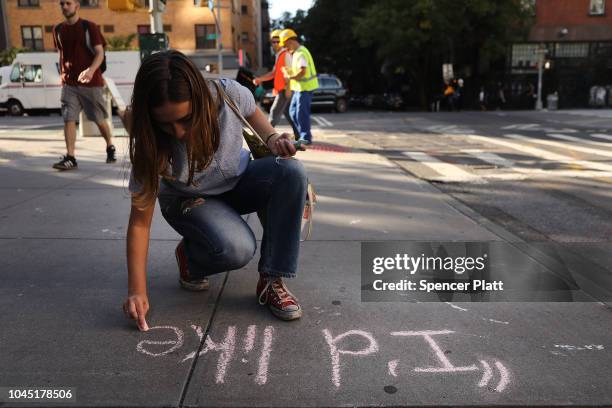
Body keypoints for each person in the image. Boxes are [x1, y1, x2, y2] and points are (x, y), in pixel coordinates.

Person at [121, 50, 307, 331]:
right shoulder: (150, 143)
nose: (179, 132)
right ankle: (191, 259)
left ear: (200, 98)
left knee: (290, 170)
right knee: (237, 248)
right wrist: (137, 290)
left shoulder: (229, 95)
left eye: (185, 119)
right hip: (189, 200)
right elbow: (139, 224)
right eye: (165, 124)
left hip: (237, 182)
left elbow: (267, 135)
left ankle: (272, 280)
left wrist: (277, 141)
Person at [52, 0, 116, 170]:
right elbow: (62, 54)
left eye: (68, 3)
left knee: (98, 119)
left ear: (77, 6)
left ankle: (110, 145)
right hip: (69, 82)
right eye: (62, 4)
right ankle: (70, 156)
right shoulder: (58, 29)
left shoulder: (89, 27)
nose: (65, 6)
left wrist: (91, 70)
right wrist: (62, 75)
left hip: (91, 82)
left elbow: (99, 53)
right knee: (68, 118)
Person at [253, 30, 297, 136]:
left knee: (274, 112)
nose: (276, 44)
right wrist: (260, 79)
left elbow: (290, 73)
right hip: (282, 90)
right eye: (274, 42)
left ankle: (265, 136)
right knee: (288, 114)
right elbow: (274, 73)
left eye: (278, 41)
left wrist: (288, 89)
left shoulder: (286, 54)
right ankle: (299, 134)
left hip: (285, 90)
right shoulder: (279, 55)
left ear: (282, 42)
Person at [279, 29, 318, 145]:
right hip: (299, 89)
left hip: (305, 88)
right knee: (292, 112)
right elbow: (299, 71)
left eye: (285, 45)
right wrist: (290, 71)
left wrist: (289, 77)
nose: (285, 48)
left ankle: (306, 138)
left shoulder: (301, 53)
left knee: (301, 114)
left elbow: (302, 72)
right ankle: (302, 135)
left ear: (290, 41)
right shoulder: (296, 53)